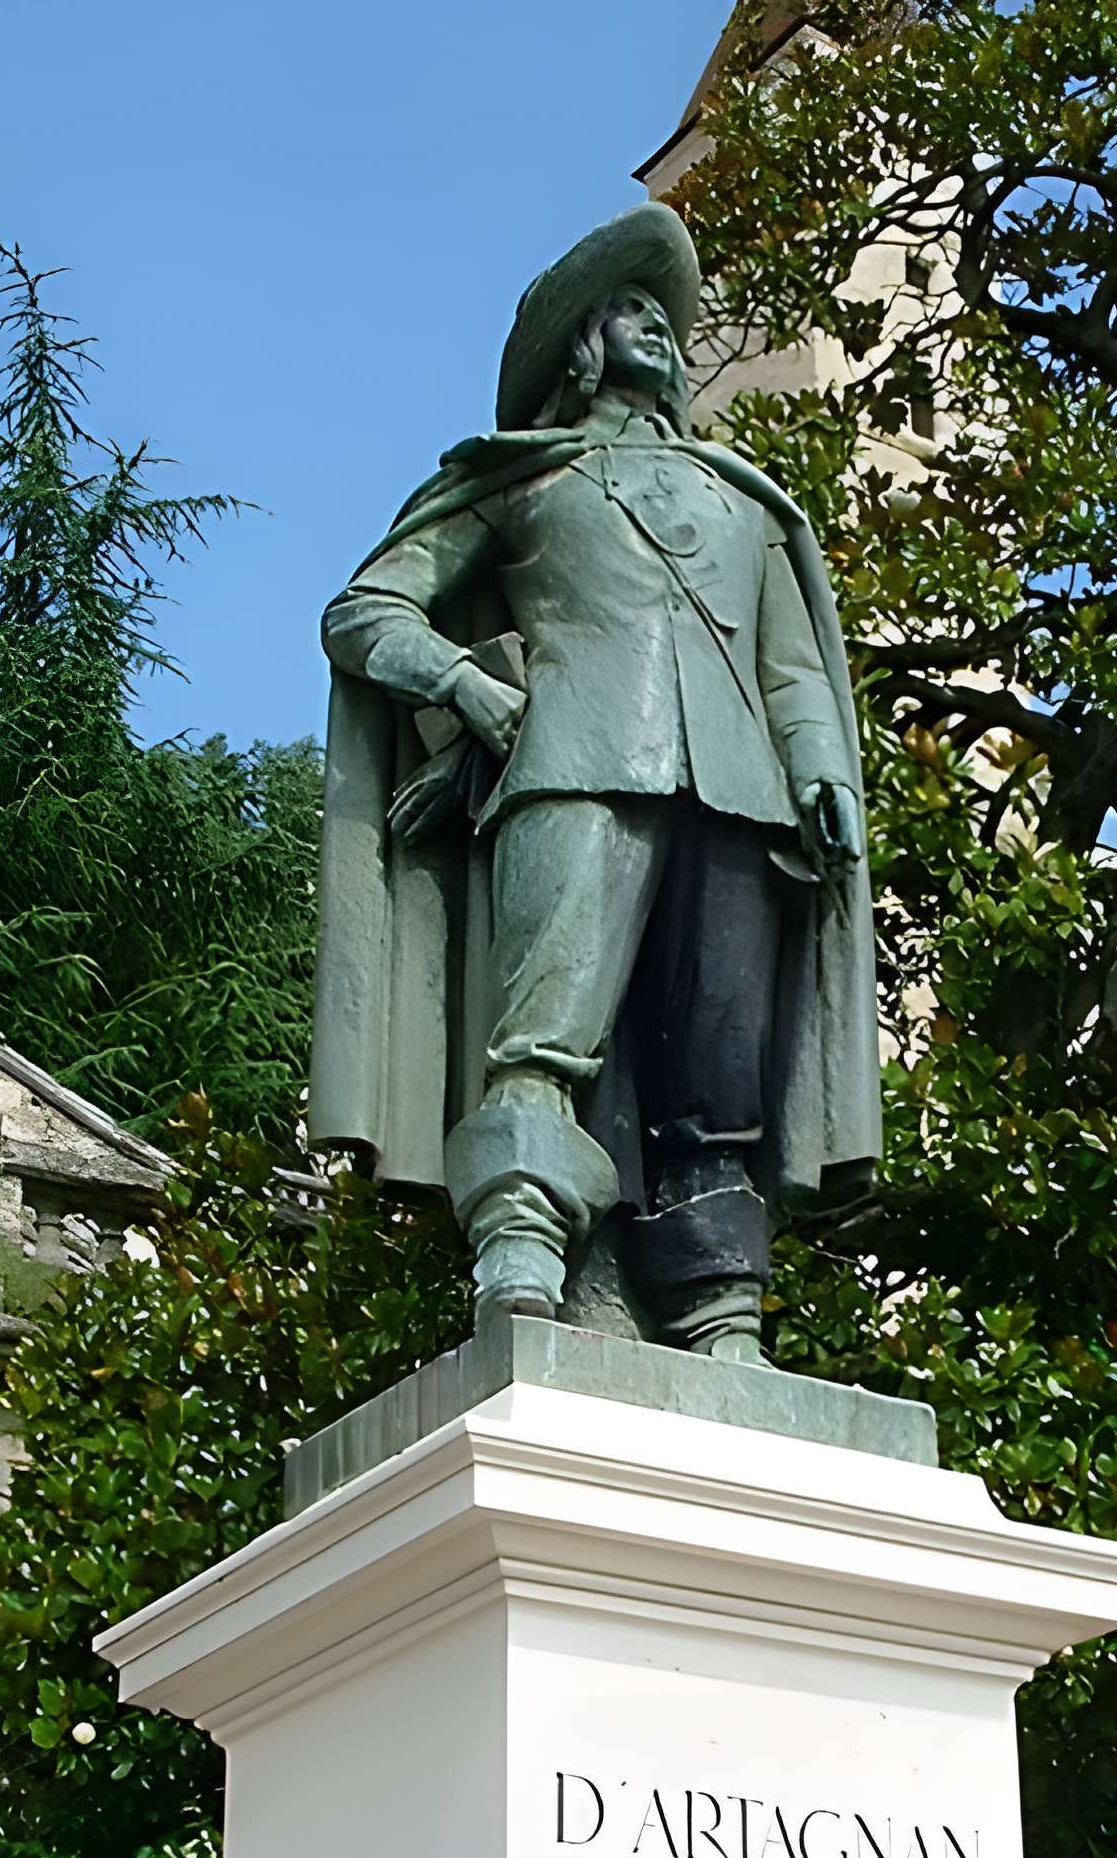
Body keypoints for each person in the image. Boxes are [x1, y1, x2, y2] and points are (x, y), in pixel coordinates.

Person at [313, 202, 879, 1360]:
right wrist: (466, 688)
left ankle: (719, 1303)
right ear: (581, 341)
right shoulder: (522, 481)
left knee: (718, 1076)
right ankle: (520, 1246)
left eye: (670, 319)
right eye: (633, 310)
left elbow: (791, 668)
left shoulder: (747, 504)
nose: (663, 333)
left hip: (739, 793)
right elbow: (365, 611)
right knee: (544, 1038)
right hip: (571, 764)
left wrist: (822, 767)